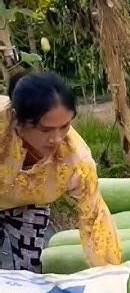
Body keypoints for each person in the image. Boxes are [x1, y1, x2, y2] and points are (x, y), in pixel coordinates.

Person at [0, 71, 122, 272]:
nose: (56, 139)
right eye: (46, 130)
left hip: (28, 205)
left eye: (64, 126)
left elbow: (95, 218)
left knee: (28, 272)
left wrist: (109, 274)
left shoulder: (77, 160)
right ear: (16, 120)